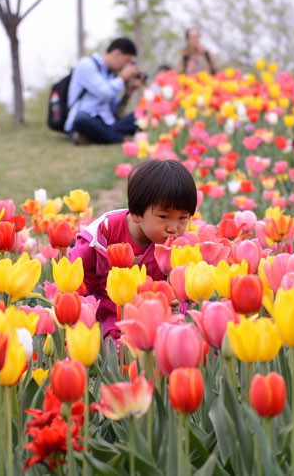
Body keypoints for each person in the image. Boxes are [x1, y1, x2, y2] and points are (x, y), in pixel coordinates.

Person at [68, 159, 198, 337]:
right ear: (137, 214)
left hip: (157, 316)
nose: (174, 228)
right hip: (112, 313)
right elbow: (78, 280)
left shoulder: (180, 247)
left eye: (183, 218)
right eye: (164, 216)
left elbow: (185, 289)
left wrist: (179, 305)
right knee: (121, 351)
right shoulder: (102, 234)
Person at [64, 37, 143, 145]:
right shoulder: (86, 64)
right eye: (127, 60)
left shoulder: (112, 75)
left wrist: (129, 92)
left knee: (141, 114)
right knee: (82, 118)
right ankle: (116, 136)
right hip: (85, 119)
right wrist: (124, 77)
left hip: (106, 122)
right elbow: (105, 92)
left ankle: (100, 136)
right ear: (117, 53)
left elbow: (116, 110)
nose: (126, 66)